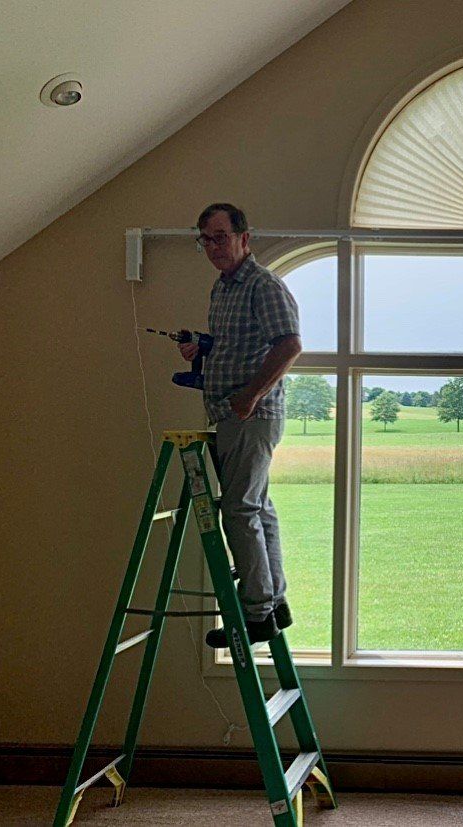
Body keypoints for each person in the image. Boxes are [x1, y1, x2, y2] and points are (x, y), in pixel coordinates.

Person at [180, 203, 302, 646]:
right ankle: (274, 603)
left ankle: (255, 616)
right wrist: (201, 350)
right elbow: (236, 346)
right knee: (256, 507)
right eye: (205, 239)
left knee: (239, 511)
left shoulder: (262, 284)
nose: (213, 247)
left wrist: (250, 397)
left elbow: (289, 344)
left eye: (220, 237)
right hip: (231, 414)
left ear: (244, 238)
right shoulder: (223, 288)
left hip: (250, 416)